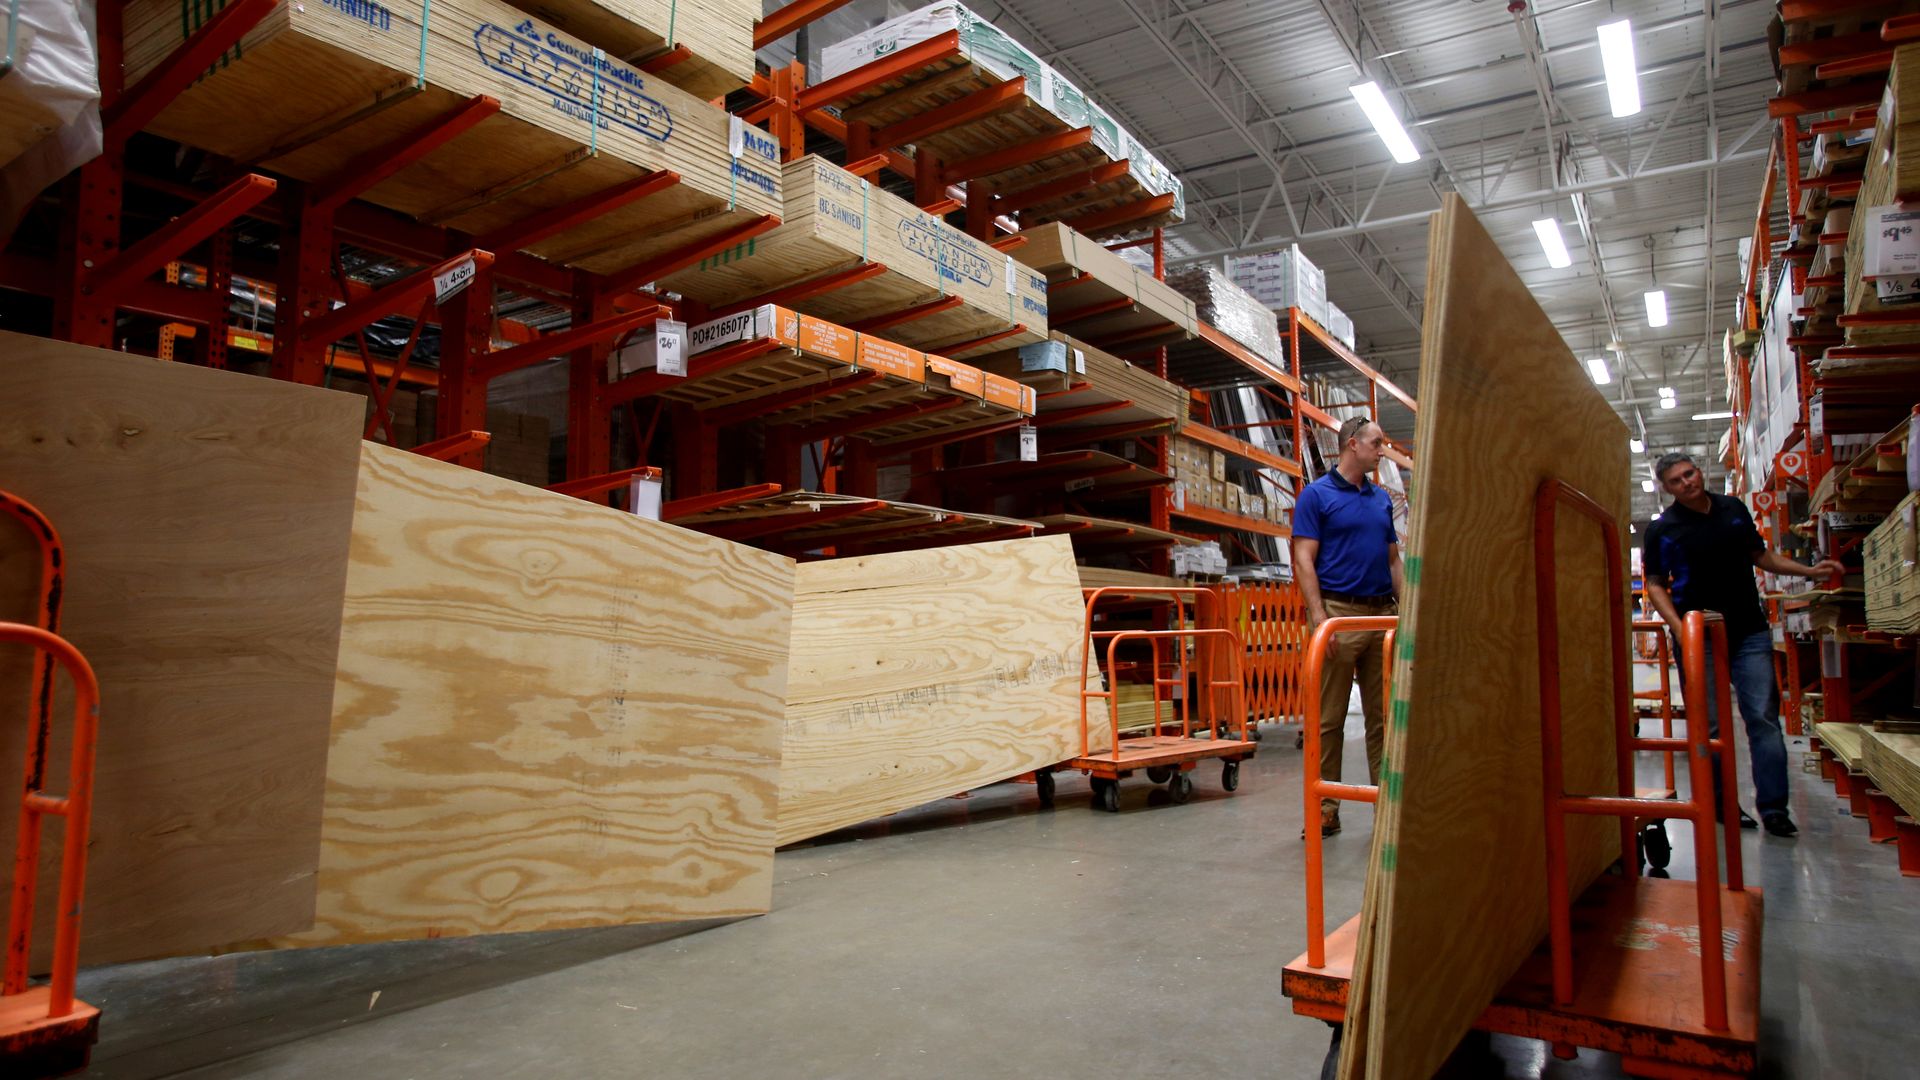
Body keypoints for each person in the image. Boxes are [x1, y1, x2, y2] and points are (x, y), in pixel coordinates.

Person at [1641, 451, 1843, 838]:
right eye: (1676, 481)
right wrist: (1680, 629)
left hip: (1749, 630)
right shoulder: (1663, 529)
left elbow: (1761, 556)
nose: (1687, 482)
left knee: (1763, 720)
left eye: (1689, 473)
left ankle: (1774, 810)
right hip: (1699, 637)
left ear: (1699, 472)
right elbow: (1654, 584)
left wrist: (1809, 571)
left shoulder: (1733, 509)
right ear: (1667, 489)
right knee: (1711, 726)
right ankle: (1721, 806)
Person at [1292, 416, 1404, 838]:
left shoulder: (1381, 500)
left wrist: (1407, 611)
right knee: (1328, 720)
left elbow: (1393, 560)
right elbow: (1304, 559)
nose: (1382, 451)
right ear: (1352, 444)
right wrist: (1319, 616)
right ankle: (1325, 810)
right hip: (1339, 615)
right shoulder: (1316, 496)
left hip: (1381, 616)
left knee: (1383, 721)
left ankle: (1385, 808)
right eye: (1377, 443)